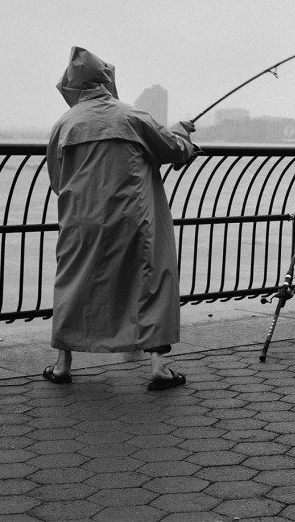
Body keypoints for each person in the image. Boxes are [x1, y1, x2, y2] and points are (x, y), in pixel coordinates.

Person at [43, 46, 198, 390]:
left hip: (81, 221)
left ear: (72, 86)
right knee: (151, 279)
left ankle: (63, 364)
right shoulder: (131, 116)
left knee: (74, 281)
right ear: (107, 80)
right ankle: (158, 366)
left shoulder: (64, 125)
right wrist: (184, 138)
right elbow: (172, 149)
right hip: (134, 218)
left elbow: (57, 178)